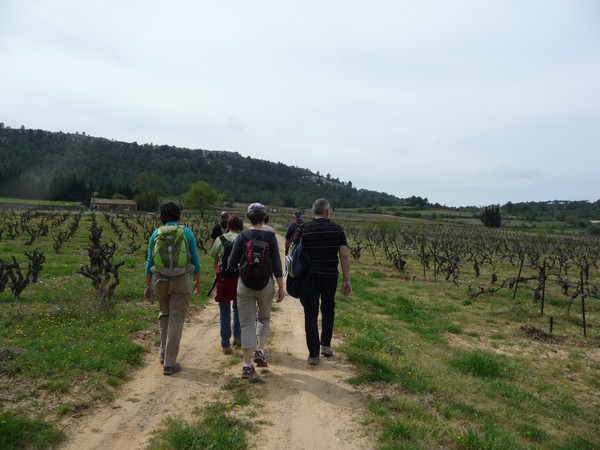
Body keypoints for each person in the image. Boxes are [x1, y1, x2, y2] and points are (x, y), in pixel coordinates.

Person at [228, 202, 285, 378]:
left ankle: (246, 364)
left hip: (245, 285)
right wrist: (281, 288)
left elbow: (231, 264)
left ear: (249, 217)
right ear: (263, 217)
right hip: (266, 285)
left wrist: (244, 270)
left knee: (246, 324)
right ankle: (260, 351)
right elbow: (276, 264)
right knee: (264, 317)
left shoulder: (242, 236)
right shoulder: (271, 237)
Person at [144, 201, 201, 375]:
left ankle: (163, 353)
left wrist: (147, 286)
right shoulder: (187, 232)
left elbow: (149, 261)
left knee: (164, 315)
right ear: (179, 215)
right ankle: (169, 363)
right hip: (181, 280)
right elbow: (195, 261)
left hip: (160, 279)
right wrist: (197, 281)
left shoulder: (156, 233)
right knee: (176, 319)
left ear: (161, 216)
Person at [292, 198, 352, 365]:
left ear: (314, 212)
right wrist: (346, 280)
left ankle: (313, 355)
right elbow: (344, 256)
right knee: (328, 309)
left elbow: (294, 252)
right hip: (330, 276)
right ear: (327, 212)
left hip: (309, 278)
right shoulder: (337, 229)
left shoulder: (304, 228)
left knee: (310, 314)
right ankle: (325, 345)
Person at [208, 214, 243, 354]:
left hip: (224, 278)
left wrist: (217, 273)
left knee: (224, 311)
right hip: (239, 279)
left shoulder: (219, 239)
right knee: (238, 309)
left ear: (228, 225)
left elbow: (215, 261)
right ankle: (238, 338)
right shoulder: (242, 238)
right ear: (240, 226)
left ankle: (225, 344)